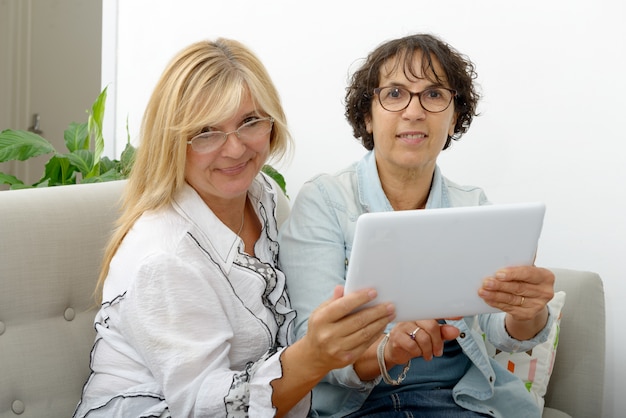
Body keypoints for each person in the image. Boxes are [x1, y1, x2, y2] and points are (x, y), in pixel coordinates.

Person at [72, 38, 396, 418]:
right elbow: (203, 408)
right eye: (206, 131)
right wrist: (314, 355)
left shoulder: (264, 196)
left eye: (249, 122)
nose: (235, 149)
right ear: (172, 141)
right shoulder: (164, 256)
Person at [278, 33, 555, 418]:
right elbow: (309, 337)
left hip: (465, 398)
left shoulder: (472, 205)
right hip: (359, 405)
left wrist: (527, 310)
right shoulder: (324, 200)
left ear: (454, 116)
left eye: (434, 94)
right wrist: (387, 350)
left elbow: (503, 331)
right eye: (394, 94)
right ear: (366, 116)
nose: (414, 111)